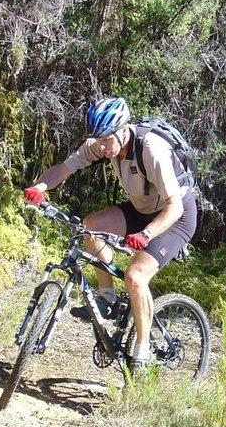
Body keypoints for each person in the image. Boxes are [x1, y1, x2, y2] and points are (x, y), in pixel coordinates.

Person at [22, 97, 197, 371]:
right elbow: (64, 169)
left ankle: (142, 349)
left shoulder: (151, 149)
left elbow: (174, 207)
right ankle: (107, 297)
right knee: (89, 227)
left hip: (176, 215)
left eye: (106, 140)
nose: (102, 147)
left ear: (123, 129)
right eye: (97, 139)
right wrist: (41, 187)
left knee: (135, 275)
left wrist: (147, 234)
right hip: (142, 207)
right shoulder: (100, 144)